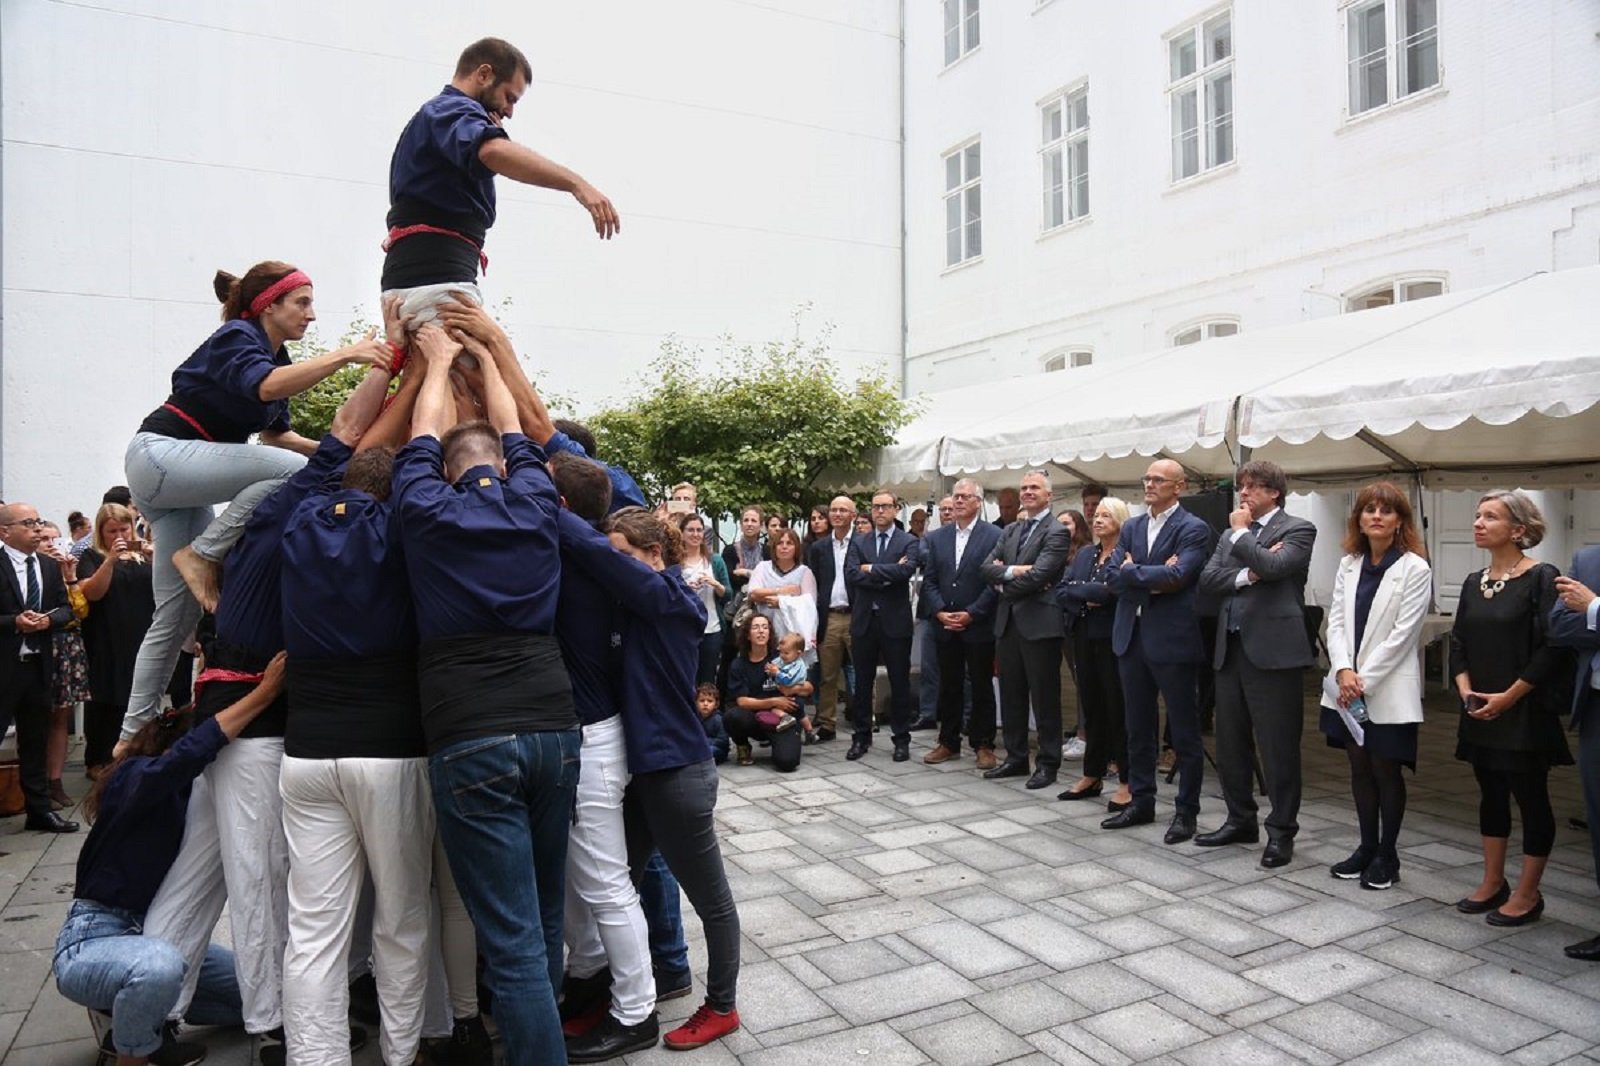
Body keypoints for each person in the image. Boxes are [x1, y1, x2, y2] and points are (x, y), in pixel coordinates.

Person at [143, 359, 397, 1064]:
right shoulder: (306, 524)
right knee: (260, 878)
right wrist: (391, 364)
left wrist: (391, 365)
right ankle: (271, 1025)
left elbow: (350, 435)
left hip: (223, 713)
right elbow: (352, 438)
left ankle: (145, 1006)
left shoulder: (276, 520)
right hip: (251, 724)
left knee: (201, 873)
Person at [121, 264, 395, 763]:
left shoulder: (279, 356)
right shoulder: (236, 337)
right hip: (160, 455)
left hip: (178, 484)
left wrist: (350, 454)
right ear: (269, 304)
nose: (312, 315)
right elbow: (267, 388)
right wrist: (350, 353)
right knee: (290, 476)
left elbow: (277, 438)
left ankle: (130, 734)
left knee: (172, 617)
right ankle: (202, 553)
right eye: (303, 303)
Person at [394, 325, 579, 1064]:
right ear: (504, 468)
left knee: (511, 940)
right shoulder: (535, 500)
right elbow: (511, 427)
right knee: (544, 916)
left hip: (471, 733)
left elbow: (423, 432)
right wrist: (492, 357)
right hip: (553, 726)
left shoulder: (424, 511)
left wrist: (436, 363)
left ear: (443, 471)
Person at [556, 506, 743, 1051]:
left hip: (677, 773)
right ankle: (624, 999)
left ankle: (723, 1007)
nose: (615, 567)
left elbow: (593, 554)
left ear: (654, 556)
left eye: (624, 557)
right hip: (641, 772)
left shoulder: (670, 599)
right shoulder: (635, 604)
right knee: (618, 891)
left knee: (712, 899)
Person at [278, 433, 435, 1064]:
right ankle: (401, 1056)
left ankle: (315, 1058)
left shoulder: (298, 529)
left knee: (313, 931)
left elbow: (314, 478)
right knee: (399, 920)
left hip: (307, 751)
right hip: (389, 749)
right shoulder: (401, 531)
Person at [55, 663, 287, 1066]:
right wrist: (263, 695)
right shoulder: (135, 777)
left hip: (148, 933)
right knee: (161, 967)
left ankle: (128, 1014)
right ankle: (132, 1052)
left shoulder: (187, 800)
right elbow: (188, 755)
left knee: (247, 992)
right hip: (94, 939)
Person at [544, 451, 659, 1062]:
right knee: (579, 879)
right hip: (588, 734)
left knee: (608, 883)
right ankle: (589, 977)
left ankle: (636, 1010)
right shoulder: (587, 556)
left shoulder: (585, 558)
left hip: (592, 739)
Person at [383, 38, 618, 314]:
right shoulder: (450, 109)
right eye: (509, 97)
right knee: (477, 354)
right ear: (483, 74)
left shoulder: (443, 119)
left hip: (430, 271)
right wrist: (577, 184)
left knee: (470, 354)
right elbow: (493, 150)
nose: (509, 111)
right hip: (435, 274)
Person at [1450, 491, 1573, 926]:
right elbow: (1459, 642)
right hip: (1479, 709)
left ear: (1518, 530)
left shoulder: (1541, 577)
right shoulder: (1471, 582)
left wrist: (1509, 696)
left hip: (1523, 711)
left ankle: (1528, 893)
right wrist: (1467, 693)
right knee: (1490, 794)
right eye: (1477, 516)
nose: (1478, 523)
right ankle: (1492, 881)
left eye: (1491, 517)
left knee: (1531, 799)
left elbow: (1553, 647)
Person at [1194, 460, 1318, 868]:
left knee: (1277, 746)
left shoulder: (1299, 529)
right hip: (1229, 650)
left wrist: (1246, 541)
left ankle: (1282, 831)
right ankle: (1240, 818)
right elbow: (1209, 580)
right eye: (1241, 486)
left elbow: (1278, 567)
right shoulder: (1230, 533)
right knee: (1231, 744)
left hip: (1274, 653)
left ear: (1274, 493)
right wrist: (1249, 572)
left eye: (1252, 487)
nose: (1243, 493)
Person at [1318, 482, 1432, 890]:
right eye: (1369, 509)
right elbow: (1336, 623)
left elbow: (1405, 634)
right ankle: (1365, 847)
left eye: (1386, 510)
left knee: (1386, 769)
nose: (1377, 516)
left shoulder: (1415, 568)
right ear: (1359, 519)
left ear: (1400, 519)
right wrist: (1344, 670)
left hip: (1387, 687)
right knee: (1358, 768)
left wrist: (1363, 679)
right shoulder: (1349, 563)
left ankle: (1388, 854)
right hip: (1346, 686)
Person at [1103, 459, 1212, 844]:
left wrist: (1136, 571)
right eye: (1146, 478)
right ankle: (1141, 800)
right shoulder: (1131, 526)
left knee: (1183, 733)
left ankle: (1186, 813)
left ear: (1178, 486)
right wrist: (1150, 575)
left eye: (1158, 479)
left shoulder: (1194, 528)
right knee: (1137, 728)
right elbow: (1113, 578)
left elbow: (1180, 576)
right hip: (1131, 637)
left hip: (1173, 640)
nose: (1149, 484)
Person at [979, 472, 1073, 789]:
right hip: (1009, 624)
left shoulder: (1057, 531)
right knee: (1012, 695)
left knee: (1044, 697)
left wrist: (1004, 583)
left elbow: (1043, 573)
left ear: (1049, 495)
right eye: (1024, 488)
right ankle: (1016, 758)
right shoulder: (1011, 529)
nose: (1028, 492)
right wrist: (1015, 571)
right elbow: (985, 567)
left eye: (1034, 487)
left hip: (1040, 625)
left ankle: (1048, 763)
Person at [0, 501, 80, 832]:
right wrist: (15, 622)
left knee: (35, 739)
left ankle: (39, 810)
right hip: (4, 666)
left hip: (38, 665)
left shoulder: (48, 566)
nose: (36, 529)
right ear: (5, 531)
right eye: (28, 523)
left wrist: (48, 622)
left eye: (39, 522)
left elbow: (66, 609)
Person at [919, 480, 1001, 769]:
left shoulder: (994, 536)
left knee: (980, 685)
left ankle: (983, 744)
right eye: (956, 496)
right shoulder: (938, 537)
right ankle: (948, 741)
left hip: (977, 624)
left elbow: (995, 582)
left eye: (966, 497)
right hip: (945, 623)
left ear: (979, 501)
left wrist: (973, 613)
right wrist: (940, 611)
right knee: (949, 684)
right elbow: (928, 580)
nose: (960, 501)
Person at [1057, 498, 1133, 810]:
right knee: (1091, 705)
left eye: (1106, 515)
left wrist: (1087, 591)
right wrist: (1087, 595)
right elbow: (1062, 591)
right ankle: (1092, 774)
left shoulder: (1127, 554)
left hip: (1113, 638)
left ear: (1120, 519)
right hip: (1084, 635)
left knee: (1118, 706)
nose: (1098, 520)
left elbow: (1112, 591)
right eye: (1096, 515)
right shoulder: (1087, 553)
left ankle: (1128, 779)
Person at [77, 505, 157, 779]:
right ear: (101, 532)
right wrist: (110, 560)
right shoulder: (91, 556)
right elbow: (92, 593)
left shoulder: (144, 555)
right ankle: (98, 758)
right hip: (106, 636)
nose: (119, 535)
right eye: (112, 531)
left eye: (124, 529)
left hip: (141, 632)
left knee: (138, 693)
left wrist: (153, 560)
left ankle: (135, 754)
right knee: (105, 698)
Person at [1549, 546, 1600, 960]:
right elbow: (1561, 628)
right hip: (1596, 709)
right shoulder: (1588, 560)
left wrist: (1595, 608)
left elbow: (1582, 617)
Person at [845, 490, 918, 763]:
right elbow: (852, 575)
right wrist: (886, 572)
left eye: (885, 506)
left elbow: (907, 571)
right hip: (864, 621)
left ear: (896, 509)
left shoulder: (908, 541)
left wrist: (871, 569)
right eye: (876, 507)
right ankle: (861, 737)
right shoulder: (859, 541)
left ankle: (901, 739)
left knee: (899, 682)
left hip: (895, 622)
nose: (880, 511)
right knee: (862, 683)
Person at [38, 522, 92, 810]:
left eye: (55, 539)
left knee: (61, 717)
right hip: (42, 644)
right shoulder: (30, 572)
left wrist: (70, 576)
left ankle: (55, 781)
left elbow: (80, 610)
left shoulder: (64, 572)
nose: (50, 544)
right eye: (44, 539)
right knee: (35, 717)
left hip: (67, 645)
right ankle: (34, 782)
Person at [725, 615, 807, 771]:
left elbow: (808, 687)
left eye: (765, 627)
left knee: (788, 763)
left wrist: (791, 689)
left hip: (781, 719)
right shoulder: (738, 664)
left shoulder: (783, 657)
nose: (761, 631)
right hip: (754, 718)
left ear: (770, 633)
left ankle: (792, 736)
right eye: (756, 627)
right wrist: (775, 701)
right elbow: (742, 701)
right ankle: (743, 746)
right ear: (748, 635)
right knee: (732, 716)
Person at [806, 497, 858, 741]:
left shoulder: (863, 542)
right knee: (827, 674)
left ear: (853, 515)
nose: (837, 514)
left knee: (861, 670)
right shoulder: (819, 548)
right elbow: (814, 583)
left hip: (857, 614)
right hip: (830, 615)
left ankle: (864, 718)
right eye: (834, 510)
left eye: (843, 510)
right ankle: (827, 723)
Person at [745, 528, 818, 657]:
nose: (784, 547)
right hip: (764, 635)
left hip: (792, 639)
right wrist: (781, 591)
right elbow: (753, 594)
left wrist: (781, 602)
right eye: (780, 543)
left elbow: (809, 605)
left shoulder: (805, 572)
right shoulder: (763, 567)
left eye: (789, 543)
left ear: (796, 547)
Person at [677, 513, 730, 688]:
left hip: (712, 627)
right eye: (690, 530)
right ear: (682, 533)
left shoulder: (715, 561)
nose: (695, 534)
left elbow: (727, 594)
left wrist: (715, 584)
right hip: (684, 629)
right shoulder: (675, 561)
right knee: (686, 677)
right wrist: (686, 589)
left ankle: (707, 713)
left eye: (699, 530)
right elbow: (668, 594)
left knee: (707, 678)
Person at [766, 632, 812, 730]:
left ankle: (786, 718)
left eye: (786, 653)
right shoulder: (786, 660)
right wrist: (770, 669)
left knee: (774, 709)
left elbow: (788, 681)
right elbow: (776, 663)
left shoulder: (798, 666)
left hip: (795, 696)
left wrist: (777, 673)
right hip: (787, 694)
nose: (782, 655)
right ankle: (809, 732)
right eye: (781, 652)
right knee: (801, 714)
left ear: (798, 653)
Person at [723, 507, 768, 597]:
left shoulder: (767, 551)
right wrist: (756, 574)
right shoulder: (730, 550)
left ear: (761, 525)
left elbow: (769, 578)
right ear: (741, 525)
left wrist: (744, 572)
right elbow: (728, 577)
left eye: (754, 521)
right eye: (746, 520)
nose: (749, 524)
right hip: (736, 603)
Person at [696, 684, 730, 765]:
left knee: (709, 751)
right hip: (700, 746)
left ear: (716, 704)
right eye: (702, 701)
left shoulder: (718, 719)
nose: (705, 704)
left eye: (710, 701)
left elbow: (723, 741)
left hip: (718, 749)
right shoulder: (695, 718)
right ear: (696, 703)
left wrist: (704, 742)